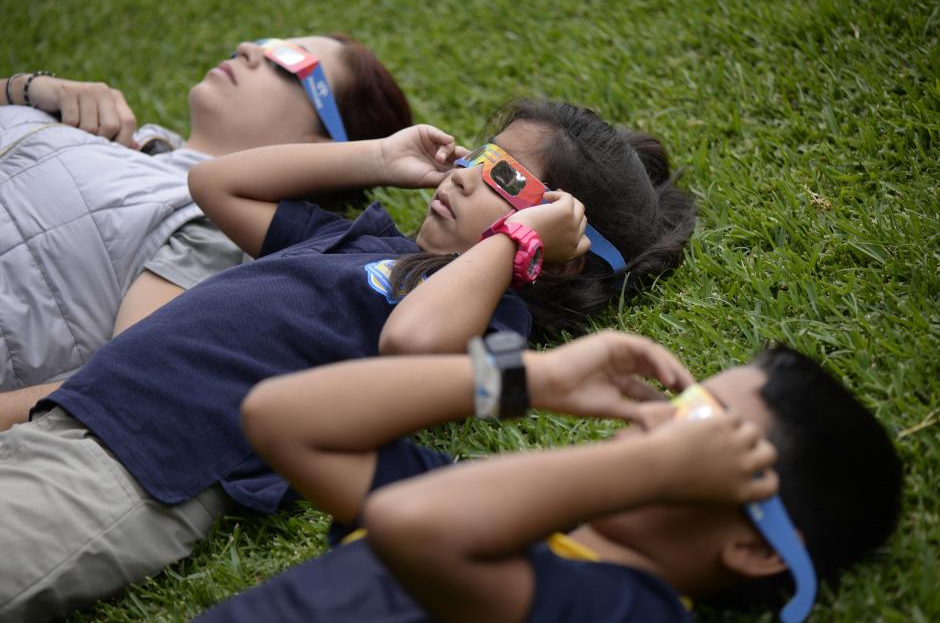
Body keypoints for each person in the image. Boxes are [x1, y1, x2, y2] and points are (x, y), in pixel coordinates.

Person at [0, 99, 693, 621]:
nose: (464, 174)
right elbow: (217, 186)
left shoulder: (487, 315)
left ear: (554, 249)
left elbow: (411, 347)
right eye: (479, 155)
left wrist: (511, 243)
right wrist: (377, 160)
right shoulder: (364, 242)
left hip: (141, 461)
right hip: (74, 413)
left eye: (503, 175)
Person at [191, 330, 903, 623]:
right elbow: (282, 417)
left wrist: (646, 465)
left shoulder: (633, 608)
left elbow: (419, 526)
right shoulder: (500, 509)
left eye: (702, 424)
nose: (660, 420)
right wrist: (534, 376)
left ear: (756, 544)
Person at [0, 33, 412, 406]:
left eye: (287, 60)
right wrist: (28, 89)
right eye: (265, 42)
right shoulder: (101, 123)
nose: (249, 50)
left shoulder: (214, 234)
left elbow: (110, 391)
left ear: (323, 146)